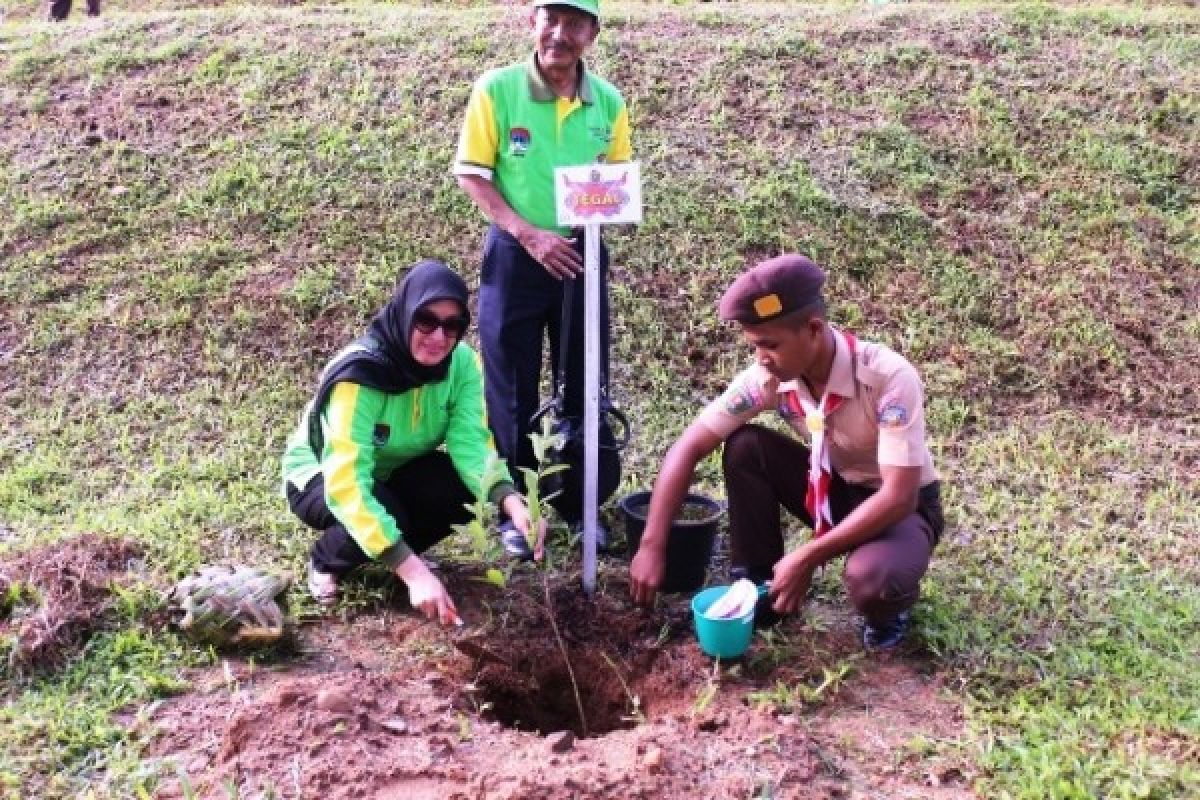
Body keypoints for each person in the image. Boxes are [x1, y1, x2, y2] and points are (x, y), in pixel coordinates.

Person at [629, 255, 944, 650]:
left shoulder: (887, 378)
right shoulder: (769, 378)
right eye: (755, 346)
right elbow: (689, 447)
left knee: (872, 582)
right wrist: (652, 545)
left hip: (900, 510)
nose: (761, 358)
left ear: (813, 329)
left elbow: (900, 496)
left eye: (770, 345)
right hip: (834, 488)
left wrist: (807, 558)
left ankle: (889, 612)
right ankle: (760, 585)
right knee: (746, 447)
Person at [453, 0, 632, 560]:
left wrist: (590, 227)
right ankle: (518, 510)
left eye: (575, 23)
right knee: (511, 386)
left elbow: (615, 179)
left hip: (582, 255)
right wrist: (529, 234)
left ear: (593, 34)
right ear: (531, 22)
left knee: (585, 383)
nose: (561, 33)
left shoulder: (608, 102)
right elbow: (472, 173)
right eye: (550, 18)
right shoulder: (498, 89)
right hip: (516, 253)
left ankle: (581, 507)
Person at [282, 260, 543, 625]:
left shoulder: (462, 365)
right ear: (405, 313)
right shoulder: (358, 377)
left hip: (392, 470)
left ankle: (392, 553)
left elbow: (471, 444)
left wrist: (510, 500)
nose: (438, 337)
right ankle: (327, 559)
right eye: (426, 321)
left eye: (451, 326)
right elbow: (347, 484)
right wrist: (416, 574)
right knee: (384, 510)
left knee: (460, 488)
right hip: (322, 476)